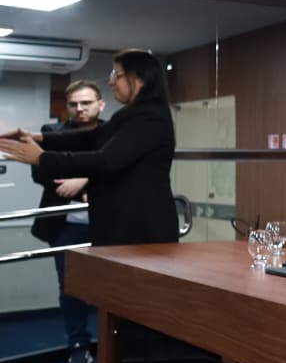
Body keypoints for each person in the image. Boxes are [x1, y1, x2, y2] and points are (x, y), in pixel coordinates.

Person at [1, 50, 179, 250]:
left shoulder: (150, 116)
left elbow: (106, 160)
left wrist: (43, 158)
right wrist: (39, 138)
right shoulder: (132, 113)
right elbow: (93, 137)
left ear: (140, 78)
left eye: (117, 75)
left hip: (141, 227)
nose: (111, 82)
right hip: (121, 223)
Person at [29, 80, 106, 363]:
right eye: (74, 104)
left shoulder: (114, 133)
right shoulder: (52, 133)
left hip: (109, 223)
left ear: (100, 104)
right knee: (71, 286)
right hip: (65, 225)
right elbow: (40, 172)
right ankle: (78, 345)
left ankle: (115, 345)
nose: (80, 109)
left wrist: (84, 181)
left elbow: (121, 166)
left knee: (114, 284)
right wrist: (85, 179)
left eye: (86, 103)